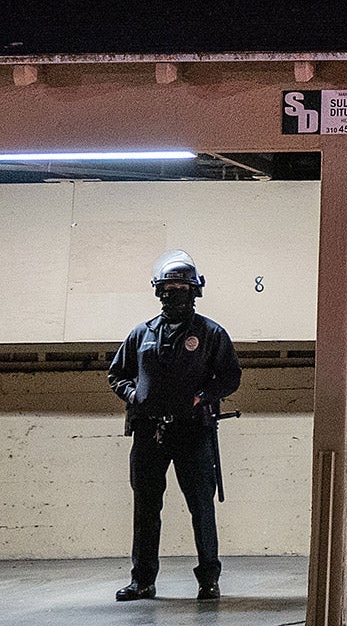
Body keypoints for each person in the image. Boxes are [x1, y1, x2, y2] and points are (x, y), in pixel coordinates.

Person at [107, 250, 242, 602]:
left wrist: (204, 396)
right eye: (168, 286)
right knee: (146, 508)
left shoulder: (211, 333)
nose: (175, 291)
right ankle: (143, 580)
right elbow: (116, 375)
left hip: (194, 431)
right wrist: (134, 395)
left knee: (201, 507)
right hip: (149, 432)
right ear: (158, 290)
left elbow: (231, 376)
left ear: (195, 290)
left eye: (182, 285)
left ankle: (209, 579)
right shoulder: (142, 333)